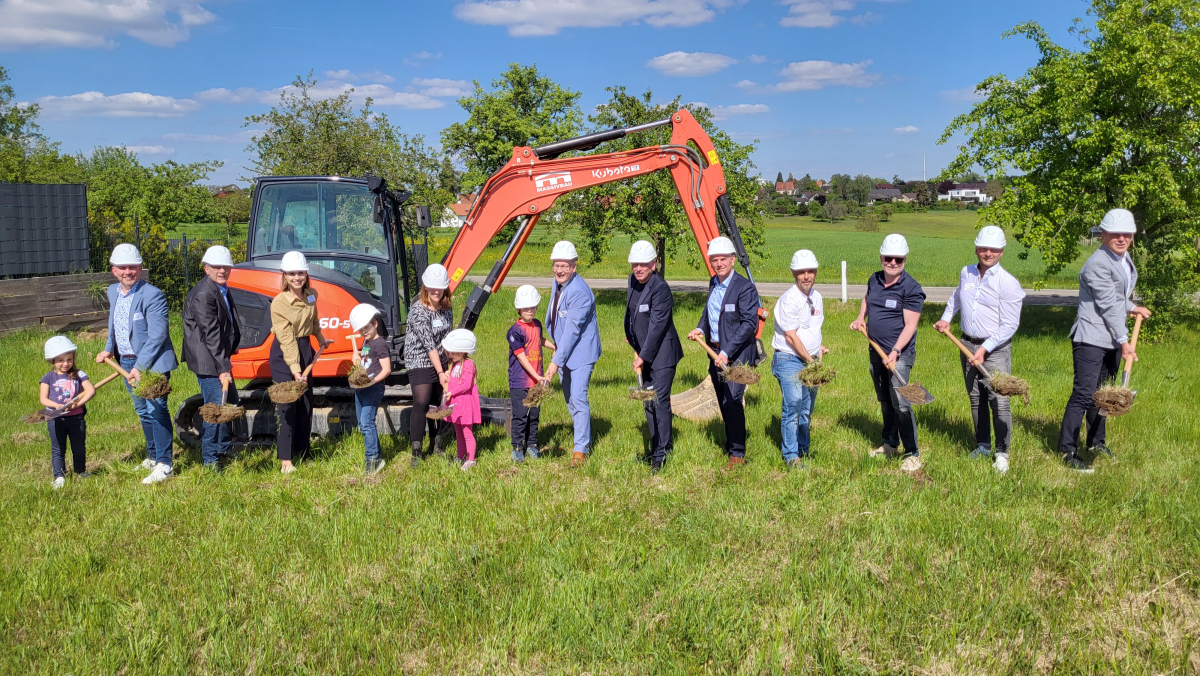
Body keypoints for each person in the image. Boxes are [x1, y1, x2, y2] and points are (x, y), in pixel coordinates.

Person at [1057, 208, 1151, 473]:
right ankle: (1067, 450)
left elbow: (1117, 296)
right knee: (1083, 395)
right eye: (1115, 233)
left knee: (1103, 395)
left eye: (1127, 234)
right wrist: (1124, 341)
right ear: (1103, 234)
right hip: (1091, 338)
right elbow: (1108, 304)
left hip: (1110, 338)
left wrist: (1133, 307)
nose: (1121, 238)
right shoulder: (1098, 263)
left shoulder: (1122, 257)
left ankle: (1096, 442)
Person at [934, 226, 1025, 474]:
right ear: (976, 248)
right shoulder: (967, 272)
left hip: (994, 348)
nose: (988, 253)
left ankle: (1002, 453)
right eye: (983, 248)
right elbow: (956, 297)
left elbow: (1010, 325)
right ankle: (982, 445)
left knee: (1000, 400)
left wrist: (984, 349)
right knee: (976, 397)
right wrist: (946, 318)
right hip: (965, 343)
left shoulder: (1008, 283)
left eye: (993, 249)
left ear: (1002, 251)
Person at [95, 243, 178, 485]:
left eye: (133, 267)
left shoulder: (153, 295)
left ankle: (165, 464)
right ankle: (152, 456)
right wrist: (109, 348)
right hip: (125, 361)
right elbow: (115, 325)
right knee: (142, 410)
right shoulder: (112, 292)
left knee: (157, 409)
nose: (128, 271)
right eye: (123, 267)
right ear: (114, 270)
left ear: (140, 268)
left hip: (151, 364)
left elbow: (158, 335)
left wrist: (139, 368)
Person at [850, 234, 926, 473]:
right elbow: (866, 299)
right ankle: (890, 443)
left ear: (904, 260)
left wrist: (894, 351)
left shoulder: (911, 288)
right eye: (888, 258)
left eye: (898, 259)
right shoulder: (874, 279)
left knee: (902, 402)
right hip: (875, 350)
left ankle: (913, 453)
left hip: (898, 355)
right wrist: (861, 317)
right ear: (881, 257)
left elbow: (911, 325)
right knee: (885, 400)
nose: (892, 262)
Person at [687, 236, 761, 469]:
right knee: (722, 399)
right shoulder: (713, 283)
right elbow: (710, 313)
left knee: (733, 399)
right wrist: (700, 328)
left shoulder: (745, 288)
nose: (718, 264)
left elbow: (750, 324)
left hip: (739, 354)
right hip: (715, 353)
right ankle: (730, 443)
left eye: (723, 259)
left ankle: (738, 453)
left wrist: (727, 351)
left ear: (732, 260)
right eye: (714, 260)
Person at [270, 251, 332, 475]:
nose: (297, 277)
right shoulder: (279, 303)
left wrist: (321, 338)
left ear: (306, 274)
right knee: (287, 405)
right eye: (292, 273)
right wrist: (296, 370)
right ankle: (286, 460)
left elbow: (313, 320)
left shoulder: (311, 294)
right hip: (284, 355)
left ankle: (303, 453)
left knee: (305, 403)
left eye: (300, 273)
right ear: (284, 276)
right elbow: (286, 340)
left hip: (306, 348)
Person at [623, 240, 683, 474]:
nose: (638, 269)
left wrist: (643, 356)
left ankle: (662, 452)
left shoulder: (660, 288)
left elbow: (658, 326)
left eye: (643, 265)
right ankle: (655, 444)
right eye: (634, 264)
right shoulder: (633, 281)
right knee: (648, 402)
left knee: (659, 401)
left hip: (663, 355)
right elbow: (631, 313)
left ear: (653, 264)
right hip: (644, 352)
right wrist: (632, 342)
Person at [182, 245, 242, 472]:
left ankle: (223, 449)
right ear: (206, 269)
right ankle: (210, 460)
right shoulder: (203, 294)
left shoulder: (221, 288)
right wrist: (223, 367)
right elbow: (211, 334)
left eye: (226, 267)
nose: (222, 270)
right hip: (209, 361)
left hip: (218, 357)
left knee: (229, 403)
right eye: (216, 267)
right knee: (215, 410)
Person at [543, 241, 602, 468]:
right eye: (556, 265)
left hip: (581, 353)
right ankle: (581, 434)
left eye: (564, 266)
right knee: (569, 398)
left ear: (574, 267)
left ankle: (581, 448)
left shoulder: (579, 293)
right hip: (563, 350)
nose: (559, 270)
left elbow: (572, 331)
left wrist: (555, 362)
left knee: (578, 397)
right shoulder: (557, 284)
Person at [771, 249, 828, 469]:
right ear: (794, 273)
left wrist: (818, 348)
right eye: (801, 271)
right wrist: (811, 360)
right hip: (789, 358)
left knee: (806, 408)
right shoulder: (789, 300)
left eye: (810, 271)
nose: (806, 276)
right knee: (793, 404)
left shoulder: (817, 297)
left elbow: (812, 327)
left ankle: (804, 448)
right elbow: (791, 337)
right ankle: (791, 455)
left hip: (810, 358)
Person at [403, 264, 454, 468]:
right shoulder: (418, 311)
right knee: (422, 401)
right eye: (431, 287)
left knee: (439, 403)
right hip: (419, 359)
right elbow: (429, 344)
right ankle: (416, 451)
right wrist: (441, 372)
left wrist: (450, 364)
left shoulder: (447, 309)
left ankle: (437, 444)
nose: (435, 291)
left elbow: (447, 338)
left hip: (441, 359)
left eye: (439, 287)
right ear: (425, 287)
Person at [40, 336, 96, 489]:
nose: (65, 363)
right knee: (58, 447)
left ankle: (81, 470)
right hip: (56, 418)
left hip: (76, 418)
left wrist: (77, 404)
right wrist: (58, 405)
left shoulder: (79, 374)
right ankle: (59, 476)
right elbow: (43, 399)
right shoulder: (48, 378)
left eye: (69, 359)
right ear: (52, 361)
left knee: (78, 446)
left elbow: (91, 391)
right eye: (60, 360)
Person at [507, 285, 555, 463]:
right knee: (520, 415)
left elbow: (539, 340)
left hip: (537, 380)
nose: (529, 311)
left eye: (533, 307)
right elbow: (521, 358)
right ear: (518, 308)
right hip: (520, 381)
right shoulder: (515, 331)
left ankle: (532, 445)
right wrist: (537, 377)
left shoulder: (537, 325)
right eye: (525, 308)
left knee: (534, 415)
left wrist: (554, 347)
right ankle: (517, 448)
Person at [349, 304, 392, 475]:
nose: (364, 332)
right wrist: (357, 357)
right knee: (363, 423)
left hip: (373, 388)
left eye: (366, 328)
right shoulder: (367, 341)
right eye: (360, 330)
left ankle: (373, 459)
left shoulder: (380, 344)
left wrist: (371, 381)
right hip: (361, 388)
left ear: (375, 323)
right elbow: (366, 362)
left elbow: (386, 369)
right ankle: (376, 455)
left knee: (367, 423)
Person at [442, 329, 481, 471]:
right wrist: (448, 374)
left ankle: (471, 459)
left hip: (465, 405)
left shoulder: (468, 364)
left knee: (467, 433)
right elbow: (454, 379)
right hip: (456, 405)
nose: (450, 355)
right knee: (458, 432)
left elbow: (466, 385)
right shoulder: (455, 364)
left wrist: (451, 392)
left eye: (453, 352)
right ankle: (461, 456)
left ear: (462, 351)